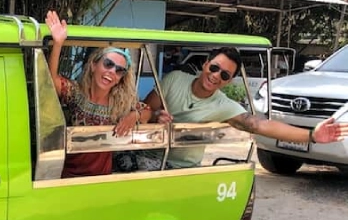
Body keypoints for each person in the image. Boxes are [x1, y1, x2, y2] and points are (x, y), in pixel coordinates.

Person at [138, 46, 348, 170]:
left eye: (224, 75)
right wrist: (157, 116)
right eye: (214, 68)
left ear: (229, 81)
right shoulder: (175, 79)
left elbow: (260, 125)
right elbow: (145, 111)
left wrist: (311, 135)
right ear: (205, 64)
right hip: (147, 155)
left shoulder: (223, 105)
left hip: (180, 168)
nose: (216, 76)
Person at [46, 11, 151, 177]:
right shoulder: (77, 94)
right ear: (93, 66)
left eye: (119, 70)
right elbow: (50, 83)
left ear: (120, 79)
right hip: (69, 175)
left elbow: (147, 110)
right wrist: (58, 43)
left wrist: (134, 115)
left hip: (101, 179)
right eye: (108, 64)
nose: (112, 72)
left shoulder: (119, 103)